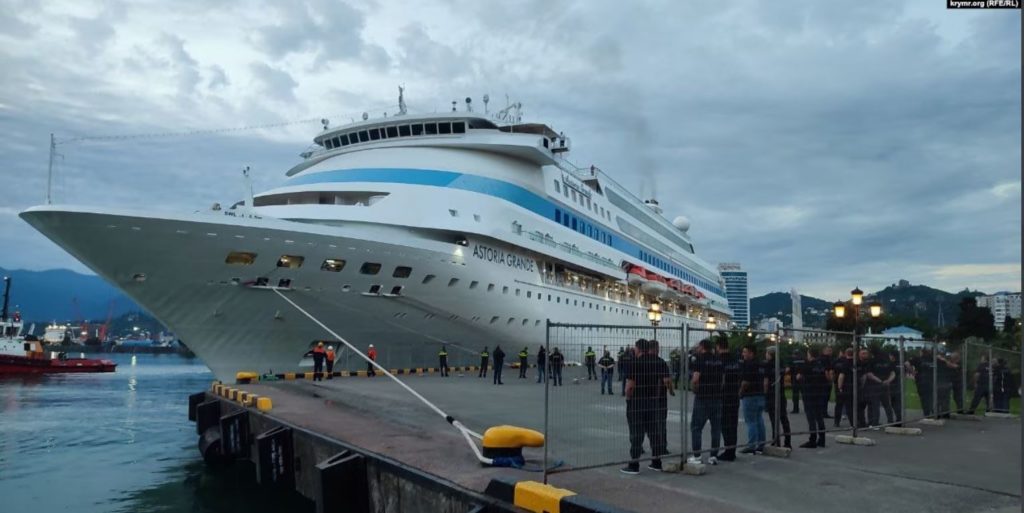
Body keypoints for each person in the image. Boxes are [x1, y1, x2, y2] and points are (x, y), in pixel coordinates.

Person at [621, 339, 673, 474]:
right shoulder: (659, 362)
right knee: (654, 432)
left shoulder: (635, 363)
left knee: (636, 433)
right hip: (653, 401)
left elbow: (630, 386)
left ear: (638, 349)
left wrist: (628, 398)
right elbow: (666, 380)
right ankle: (656, 462)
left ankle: (634, 464)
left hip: (638, 401)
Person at [688, 339, 723, 464]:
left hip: (703, 397)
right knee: (716, 428)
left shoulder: (700, 359)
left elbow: (696, 378)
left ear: (702, 347)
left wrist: (694, 388)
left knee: (696, 427)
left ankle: (697, 455)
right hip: (717, 396)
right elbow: (722, 378)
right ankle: (713, 456)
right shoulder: (718, 360)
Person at [797, 346, 828, 448]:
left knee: (811, 417)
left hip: (809, 393)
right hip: (819, 393)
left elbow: (799, 377)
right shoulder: (821, 365)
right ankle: (822, 439)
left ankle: (812, 439)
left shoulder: (807, 365)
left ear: (809, 354)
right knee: (819, 417)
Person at [739, 343, 766, 455]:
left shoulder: (749, 364)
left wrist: (740, 392)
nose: (743, 354)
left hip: (750, 395)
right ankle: (761, 443)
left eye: (745, 352)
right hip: (760, 394)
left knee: (751, 421)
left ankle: (751, 445)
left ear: (751, 353)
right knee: (759, 419)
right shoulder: (760, 364)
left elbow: (746, 381)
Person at [718, 339, 742, 461]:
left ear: (718, 347)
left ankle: (728, 450)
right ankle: (732, 450)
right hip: (734, 395)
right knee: (733, 424)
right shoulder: (735, 360)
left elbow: (722, 379)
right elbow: (739, 377)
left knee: (725, 424)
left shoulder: (720, 360)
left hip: (725, 396)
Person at [764, 346, 791, 449]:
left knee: (774, 420)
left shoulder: (768, 365)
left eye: (767, 353)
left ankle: (776, 441)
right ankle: (788, 442)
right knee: (784, 418)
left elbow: (766, 382)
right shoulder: (781, 363)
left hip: (771, 394)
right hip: (781, 393)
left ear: (770, 354)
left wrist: (765, 394)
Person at [865, 348, 895, 428]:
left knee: (874, 405)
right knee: (887, 404)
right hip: (885, 385)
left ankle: (874, 422)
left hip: (874, 385)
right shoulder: (888, 362)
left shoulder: (872, 361)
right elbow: (893, 373)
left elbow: (869, 374)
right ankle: (890, 421)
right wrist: (888, 381)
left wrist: (880, 381)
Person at [909, 347, 936, 417]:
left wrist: (912, 372)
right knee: (930, 397)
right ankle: (932, 411)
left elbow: (906, 363)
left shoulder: (918, 359)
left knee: (923, 398)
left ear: (922, 352)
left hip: (921, 381)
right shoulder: (933, 359)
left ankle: (927, 413)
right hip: (931, 381)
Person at [833, 348, 855, 427]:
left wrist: (839, 387)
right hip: (853, 386)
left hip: (844, 386)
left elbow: (841, 376)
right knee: (850, 406)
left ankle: (836, 422)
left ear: (846, 354)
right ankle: (853, 423)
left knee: (839, 405)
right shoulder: (856, 363)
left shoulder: (844, 363)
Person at [855, 348, 872, 427]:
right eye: (863, 353)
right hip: (859, 387)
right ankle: (861, 422)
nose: (865, 355)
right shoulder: (856, 363)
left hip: (869, 387)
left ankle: (870, 421)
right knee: (859, 405)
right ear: (859, 354)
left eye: (866, 353)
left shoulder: (870, 363)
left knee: (868, 405)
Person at [820, 346, 835, 419]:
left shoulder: (823, 358)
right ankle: (824, 413)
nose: (830, 352)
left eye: (831, 350)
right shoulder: (826, 359)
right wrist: (829, 380)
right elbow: (826, 370)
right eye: (829, 350)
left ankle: (822, 412)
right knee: (825, 397)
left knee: (824, 397)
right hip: (825, 380)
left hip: (821, 381)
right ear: (824, 351)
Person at [790, 350, 805, 414]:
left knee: (795, 395)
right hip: (803, 379)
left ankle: (795, 409)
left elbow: (790, 369)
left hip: (795, 379)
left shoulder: (792, 360)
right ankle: (807, 408)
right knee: (804, 395)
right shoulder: (804, 360)